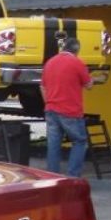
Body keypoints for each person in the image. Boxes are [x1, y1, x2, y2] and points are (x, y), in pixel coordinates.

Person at [40, 36, 93, 177]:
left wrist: (48, 102)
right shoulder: (78, 63)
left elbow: (42, 86)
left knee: (53, 144)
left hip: (51, 109)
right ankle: (72, 176)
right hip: (70, 111)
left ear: (63, 48)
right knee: (79, 141)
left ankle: (52, 176)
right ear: (77, 50)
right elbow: (89, 85)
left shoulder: (50, 62)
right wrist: (93, 79)